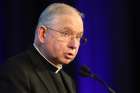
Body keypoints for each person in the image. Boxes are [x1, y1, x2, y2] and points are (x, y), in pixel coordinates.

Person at [0, 3, 84, 93]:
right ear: (42, 34)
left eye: (78, 37)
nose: (74, 45)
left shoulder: (68, 81)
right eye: (65, 34)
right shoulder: (15, 71)